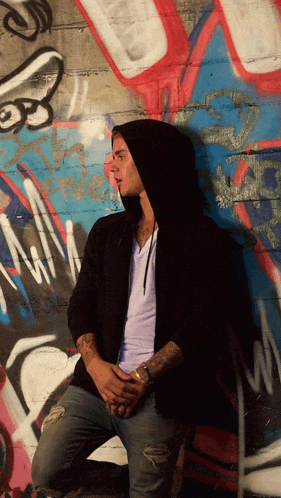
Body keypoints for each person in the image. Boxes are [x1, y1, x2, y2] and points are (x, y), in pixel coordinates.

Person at [32, 119, 242, 497]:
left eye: (120, 156)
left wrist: (143, 377)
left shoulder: (201, 236)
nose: (111, 166)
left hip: (163, 394)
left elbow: (204, 322)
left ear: (151, 159)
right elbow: (80, 307)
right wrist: (96, 368)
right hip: (96, 385)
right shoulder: (108, 232)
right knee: (47, 473)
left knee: (148, 493)